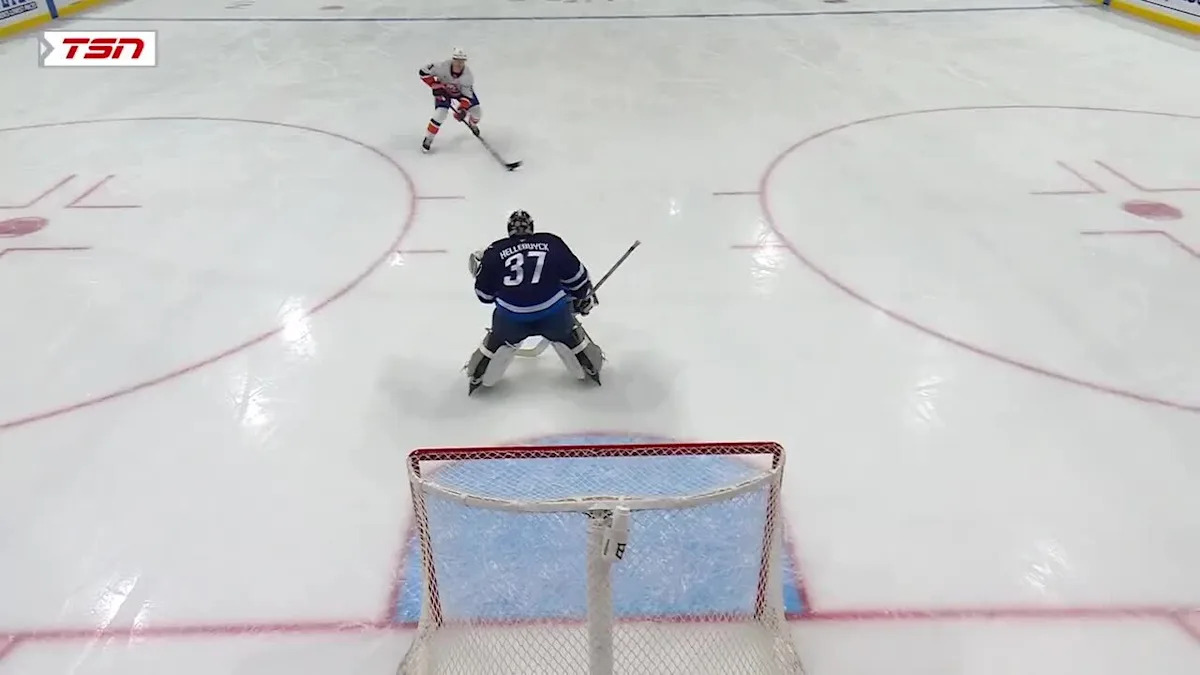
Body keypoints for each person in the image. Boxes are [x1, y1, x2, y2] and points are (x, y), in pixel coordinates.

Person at [465, 210, 604, 394]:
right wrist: (581, 297)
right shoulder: (551, 242)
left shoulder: (495, 250)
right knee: (566, 331)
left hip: (510, 320)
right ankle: (583, 357)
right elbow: (578, 279)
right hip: (554, 316)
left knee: (490, 367)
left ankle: (481, 369)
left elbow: (484, 296)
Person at [418, 47, 481, 153]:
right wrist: (434, 84)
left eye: (462, 61)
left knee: (477, 112)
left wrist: (462, 109)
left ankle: (472, 124)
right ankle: (428, 138)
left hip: (461, 93)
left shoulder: (468, 76)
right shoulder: (441, 67)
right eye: (457, 60)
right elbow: (423, 72)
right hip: (444, 92)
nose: (459, 64)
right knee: (439, 115)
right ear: (453, 60)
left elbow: (467, 96)